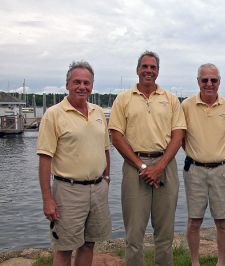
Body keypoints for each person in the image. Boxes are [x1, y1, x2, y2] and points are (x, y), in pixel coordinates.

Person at [108, 51, 186, 266]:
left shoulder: (170, 99)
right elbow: (116, 136)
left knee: (165, 234)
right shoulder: (123, 99)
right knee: (134, 235)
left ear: (158, 71)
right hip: (135, 168)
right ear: (137, 69)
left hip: (166, 166)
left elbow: (178, 135)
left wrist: (159, 166)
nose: (148, 71)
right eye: (145, 66)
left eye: (153, 67)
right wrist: (143, 166)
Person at [37, 61, 111, 266]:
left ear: (92, 86)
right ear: (67, 84)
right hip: (67, 192)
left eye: (86, 83)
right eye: (77, 82)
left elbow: (105, 149)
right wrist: (47, 199)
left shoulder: (98, 113)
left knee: (89, 244)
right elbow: (45, 159)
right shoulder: (54, 114)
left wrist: (106, 179)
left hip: (97, 190)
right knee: (64, 248)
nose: (82, 86)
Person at [182, 63, 225, 266]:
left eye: (213, 80)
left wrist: (222, 159)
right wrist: (198, 154)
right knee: (194, 221)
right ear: (198, 81)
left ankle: (221, 262)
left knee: (222, 222)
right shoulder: (186, 106)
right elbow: (181, 137)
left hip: (223, 171)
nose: (209, 84)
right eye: (204, 79)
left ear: (219, 82)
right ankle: (195, 262)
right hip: (195, 171)